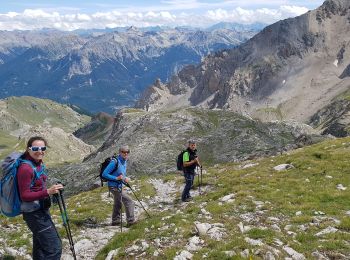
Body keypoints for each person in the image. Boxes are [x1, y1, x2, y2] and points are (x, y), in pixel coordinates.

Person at [17, 136, 63, 260]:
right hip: (34, 214)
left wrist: (50, 190)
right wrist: (48, 191)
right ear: (28, 149)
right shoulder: (25, 168)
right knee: (54, 248)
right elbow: (25, 195)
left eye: (43, 148)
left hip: (40, 209)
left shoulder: (37, 163)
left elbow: (37, 187)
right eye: (36, 148)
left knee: (41, 248)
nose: (40, 151)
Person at [102, 145, 136, 226]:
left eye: (127, 152)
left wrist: (124, 179)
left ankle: (115, 220)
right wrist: (116, 178)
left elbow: (121, 175)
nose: (125, 154)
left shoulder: (125, 161)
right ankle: (130, 221)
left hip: (119, 186)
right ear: (120, 152)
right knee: (129, 201)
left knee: (118, 202)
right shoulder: (114, 162)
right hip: (113, 186)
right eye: (123, 152)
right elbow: (104, 174)